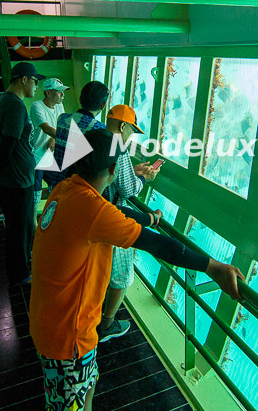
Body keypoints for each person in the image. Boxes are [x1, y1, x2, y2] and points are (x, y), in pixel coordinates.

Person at [29, 129, 244, 411]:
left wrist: (147, 218)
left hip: (51, 317)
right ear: (114, 169)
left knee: (88, 383)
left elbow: (113, 211)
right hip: (68, 338)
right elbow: (156, 244)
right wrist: (213, 267)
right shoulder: (92, 210)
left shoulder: (66, 189)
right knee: (68, 404)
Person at [97, 104, 161, 342]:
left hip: (95, 212)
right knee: (122, 276)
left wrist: (132, 169)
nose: (130, 136)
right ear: (122, 126)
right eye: (131, 131)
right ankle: (106, 325)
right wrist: (144, 177)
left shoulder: (97, 139)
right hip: (112, 217)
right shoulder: (119, 148)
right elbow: (126, 188)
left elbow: (112, 174)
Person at [0, 61, 44, 286]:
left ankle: (21, 267)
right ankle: (20, 274)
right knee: (20, 228)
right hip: (16, 180)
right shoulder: (15, 105)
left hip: (12, 178)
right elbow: (8, 140)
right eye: (35, 81)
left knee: (17, 225)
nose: (36, 86)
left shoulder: (0, 101)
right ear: (24, 79)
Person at [43, 80, 109, 194]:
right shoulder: (100, 129)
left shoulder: (62, 119)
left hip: (56, 186)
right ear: (103, 105)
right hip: (76, 192)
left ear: (80, 99)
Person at [30, 77, 69, 209]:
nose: (62, 95)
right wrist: (69, 139)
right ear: (48, 93)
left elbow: (60, 127)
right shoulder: (37, 106)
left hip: (51, 156)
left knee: (57, 186)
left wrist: (54, 139)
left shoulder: (59, 106)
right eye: (59, 92)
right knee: (36, 192)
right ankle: (33, 222)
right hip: (38, 157)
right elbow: (46, 128)